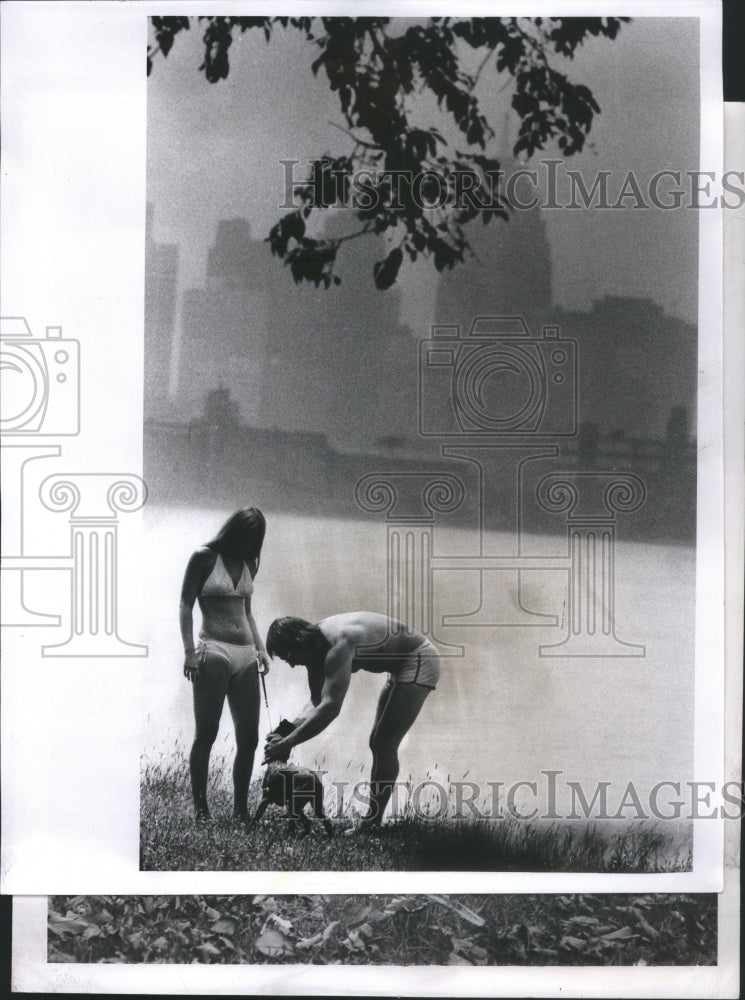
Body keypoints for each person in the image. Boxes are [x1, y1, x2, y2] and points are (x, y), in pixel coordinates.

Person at [264, 611, 440, 828]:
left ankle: (372, 824)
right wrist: (287, 730)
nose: (291, 665)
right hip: (398, 666)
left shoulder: (339, 643)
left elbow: (330, 708)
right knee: (377, 742)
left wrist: (288, 743)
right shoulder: (314, 646)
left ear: (298, 642)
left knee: (384, 743)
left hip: (418, 658)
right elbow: (317, 701)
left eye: (288, 656)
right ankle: (372, 822)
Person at [180, 506, 271, 820]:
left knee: (250, 737)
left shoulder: (249, 562)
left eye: (255, 540)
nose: (250, 545)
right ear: (234, 532)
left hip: (246, 653)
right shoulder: (203, 557)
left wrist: (261, 650)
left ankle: (241, 812)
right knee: (207, 732)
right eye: (246, 537)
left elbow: (247, 611)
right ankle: (202, 810)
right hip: (213, 650)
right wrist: (190, 652)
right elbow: (185, 605)